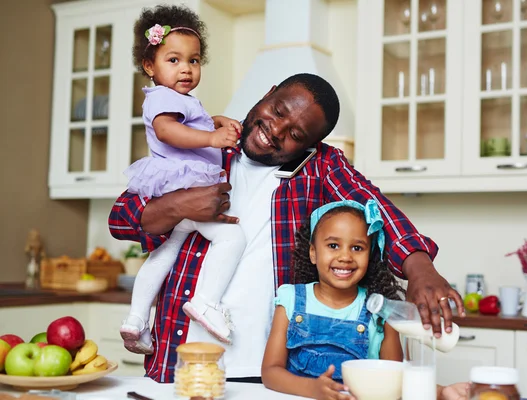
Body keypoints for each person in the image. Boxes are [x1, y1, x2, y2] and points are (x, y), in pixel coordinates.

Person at [109, 72, 466, 383]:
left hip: (268, 371)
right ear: (270, 91)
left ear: (311, 144)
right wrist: (178, 205)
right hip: (179, 361)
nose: (275, 130)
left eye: (295, 133)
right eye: (277, 111)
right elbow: (122, 219)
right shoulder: (204, 142)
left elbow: (374, 206)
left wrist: (419, 266)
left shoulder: (320, 167)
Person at [119, 4, 245, 354]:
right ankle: (206, 300)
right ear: (149, 65)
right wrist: (211, 139)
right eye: (173, 60)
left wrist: (214, 120)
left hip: (181, 187)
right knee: (232, 239)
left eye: (193, 60)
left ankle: (136, 320)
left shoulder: (178, 99)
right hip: (184, 187)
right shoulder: (163, 98)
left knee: (164, 252)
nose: (186, 69)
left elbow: (187, 122)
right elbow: (168, 130)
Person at [262, 200, 468, 400]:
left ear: (370, 256)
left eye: (357, 248)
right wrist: (313, 389)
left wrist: (441, 392)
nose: (345, 256)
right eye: (333, 245)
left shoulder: (382, 314)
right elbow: (270, 372)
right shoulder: (291, 300)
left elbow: (395, 379)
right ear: (313, 253)